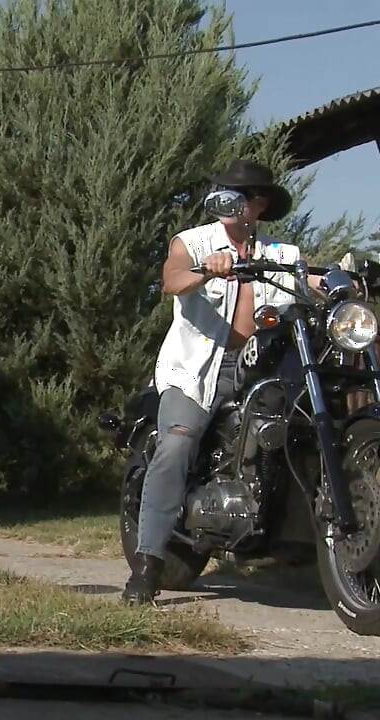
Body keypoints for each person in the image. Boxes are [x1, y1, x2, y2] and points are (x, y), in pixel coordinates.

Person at [122, 158, 308, 605]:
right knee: (177, 443)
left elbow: (309, 285)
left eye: (242, 195)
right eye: (226, 192)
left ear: (259, 204)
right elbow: (172, 279)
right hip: (198, 368)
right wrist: (207, 269)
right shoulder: (193, 242)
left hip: (260, 368)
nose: (231, 202)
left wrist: (335, 280)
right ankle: (147, 566)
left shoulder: (283, 255)